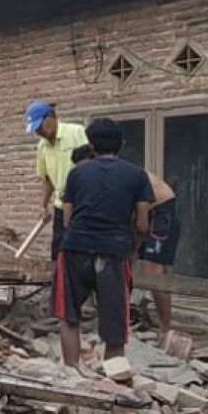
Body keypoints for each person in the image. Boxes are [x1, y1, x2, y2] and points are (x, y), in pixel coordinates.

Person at [55, 120, 153, 368]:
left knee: (69, 316)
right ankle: (114, 383)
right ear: (122, 144)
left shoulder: (76, 174)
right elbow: (142, 224)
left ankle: (70, 374)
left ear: (91, 145)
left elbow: (67, 219)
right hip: (114, 251)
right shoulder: (137, 175)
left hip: (75, 247)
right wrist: (131, 249)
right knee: (115, 326)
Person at [71, 144, 179, 342]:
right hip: (137, 216)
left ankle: (166, 328)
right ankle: (119, 318)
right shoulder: (98, 176)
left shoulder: (121, 172)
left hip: (159, 210)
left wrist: (134, 242)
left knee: (153, 270)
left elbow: (141, 220)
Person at [27, 101, 89, 261]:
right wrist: (43, 205)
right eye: (35, 130)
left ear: (50, 117)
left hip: (82, 205)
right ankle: (59, 285)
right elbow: (47, 179)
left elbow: (92, 166)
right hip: (61, 207)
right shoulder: (42, 146)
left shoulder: (76, 132)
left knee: (81, 252)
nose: (39, 132)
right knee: (59, 253)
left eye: (40, 126)